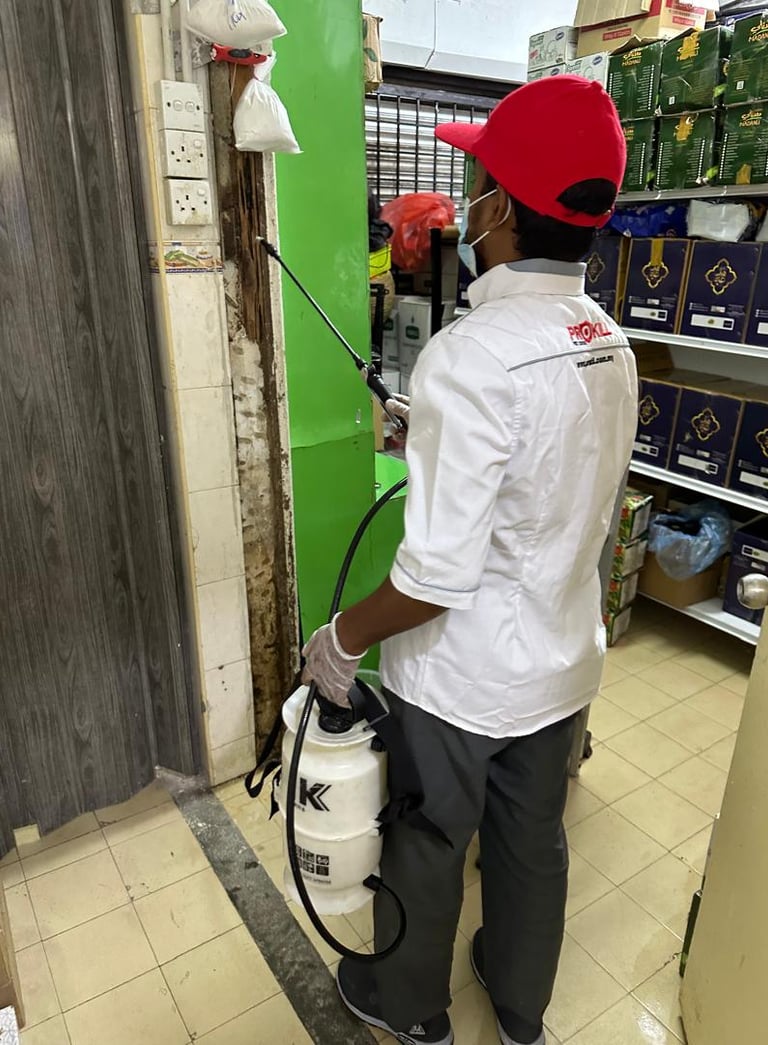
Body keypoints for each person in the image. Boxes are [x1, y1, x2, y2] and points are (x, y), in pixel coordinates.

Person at [302, 76, 638, 1045]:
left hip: (461, 680)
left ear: (502, 207)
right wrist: (440, 434)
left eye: (477, 178)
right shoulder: (609, 343)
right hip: (561, 661)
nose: (466, 198)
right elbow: (554, 473)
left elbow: (434, 579)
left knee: (429, 836)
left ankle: (409, 1006)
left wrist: (343, 637)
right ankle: (521, 1004)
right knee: (531, 839)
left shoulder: (471, 353)